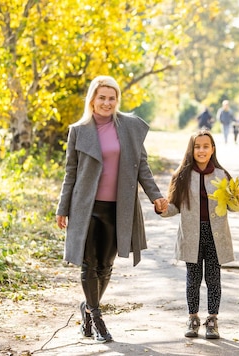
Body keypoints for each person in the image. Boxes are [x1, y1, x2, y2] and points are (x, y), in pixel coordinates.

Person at [55, 75, 168, 343]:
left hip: (119, 208)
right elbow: (70, 173)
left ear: (117, 100)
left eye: (111, 98)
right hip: (87, 207)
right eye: (102, 97)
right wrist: (63, 207)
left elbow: (142, 167)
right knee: (89, 264)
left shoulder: (129, 128)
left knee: (106, 266)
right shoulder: (79, 130)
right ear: (92, 100)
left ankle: (87, 308)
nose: (107, 102)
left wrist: (156, 196)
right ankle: (96, 316)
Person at [159, 130, 239, 340]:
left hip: (216, 235)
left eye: (206, 146)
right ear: (191, 149)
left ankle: (213, 319)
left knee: (214, 279)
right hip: (192, 235)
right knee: (193, 279)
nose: (201, 150)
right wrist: (161, 208)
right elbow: (174, 207)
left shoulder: (221, 175)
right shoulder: (182, 176)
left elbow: (233, 207)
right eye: (197, 146)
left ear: (212, 149)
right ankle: (193, 317)